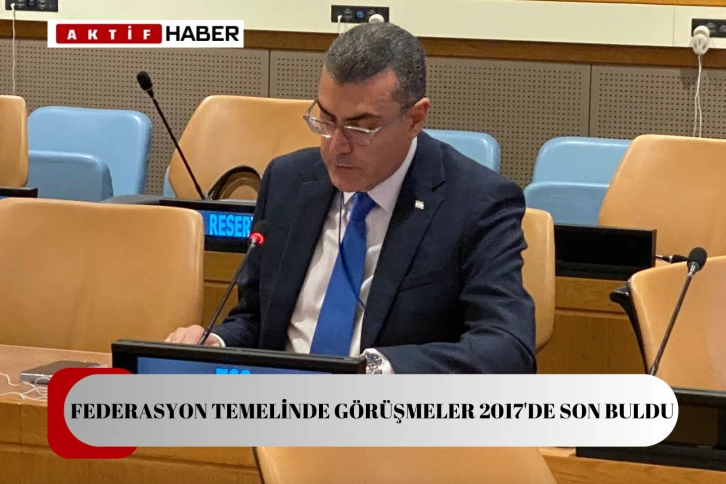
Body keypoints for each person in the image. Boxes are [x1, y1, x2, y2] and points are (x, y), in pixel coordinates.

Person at [166, 22, 536, 374]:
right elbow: (256, 320)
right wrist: (216, 342)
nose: (336, 147)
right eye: (326, 120)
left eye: (361, 127)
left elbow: (507, 347)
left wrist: (376, 371)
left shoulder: (476, 203)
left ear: (415, 118)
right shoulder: (288, 181)